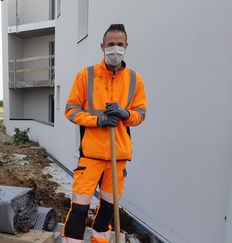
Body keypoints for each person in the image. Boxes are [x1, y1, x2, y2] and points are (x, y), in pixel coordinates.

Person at [62, 24, 147, 243]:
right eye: (111, 44)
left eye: (120, 44)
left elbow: (140, 115)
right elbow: (71, 111)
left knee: (107, 211)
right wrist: (98, 120)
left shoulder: (135, 80)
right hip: (90, 156)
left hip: (118, 157)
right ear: (102, 46)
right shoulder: (86, 76)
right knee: (79, 209)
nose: (115, 49)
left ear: (126, 46)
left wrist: (124, 113)